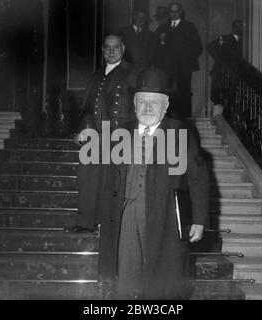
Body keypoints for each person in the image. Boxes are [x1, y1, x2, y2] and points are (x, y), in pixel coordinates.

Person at [98, 68, 210, 299]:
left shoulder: (182, 132)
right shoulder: (121, 133)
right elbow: (108, 179)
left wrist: (199, 219)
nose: (148, 108)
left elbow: (198, 178)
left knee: (161, 281)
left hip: (165, 215)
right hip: (125, 213)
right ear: (135, 104)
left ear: (166, 106)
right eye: (142, 102)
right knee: (126, 277)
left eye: (154, 103)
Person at [72, 35, 137, 233]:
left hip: (120, 135)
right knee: (87, 176)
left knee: (113, 182)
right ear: (102, 50)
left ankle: (109, 226)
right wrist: (83, 129)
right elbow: (88, 106)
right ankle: (85, 223)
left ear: (123, 48)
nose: (111, 51)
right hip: (96, 134)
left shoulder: (132, 73)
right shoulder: (98, 73)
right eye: (107, 47)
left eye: (115, 47)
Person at [159, 2, 203, 119]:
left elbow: (198, 47)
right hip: (167, 68)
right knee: (168, 94)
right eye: (171, 11)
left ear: (181, 12)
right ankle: (169, 120)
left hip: (184, 68)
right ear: (169, 13)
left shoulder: (189, 26)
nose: (174, 14)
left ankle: (185, 121)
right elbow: (157, 49)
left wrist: (185, 59)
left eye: (176, 11)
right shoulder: (163, 27)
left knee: (184, 93)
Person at [209, 20, 244, 117]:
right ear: (233, 28)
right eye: (237, 26)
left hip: (236, 74)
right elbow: (211, 47)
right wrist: (220, 59)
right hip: (222, 73)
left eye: (241, 26)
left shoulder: (246, 41)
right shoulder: (224, 38)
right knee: (218, 96)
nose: (239, 28)